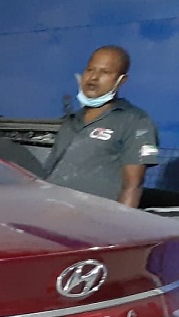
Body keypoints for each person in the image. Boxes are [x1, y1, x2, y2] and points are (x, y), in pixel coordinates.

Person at [43, 45, 159, 208]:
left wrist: (119, 222)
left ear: (121, 80)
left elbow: (132, 186)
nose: (93, 77)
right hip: (50, 212)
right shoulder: (71, 120)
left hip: (92, 219)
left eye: (105, 72)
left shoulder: (136, 121)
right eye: (90, 70)